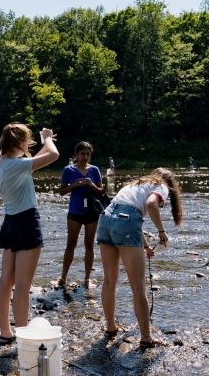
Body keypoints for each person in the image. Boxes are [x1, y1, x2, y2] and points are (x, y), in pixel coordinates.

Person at [96, 168, 184, 349]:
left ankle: (111, 327)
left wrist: (145, 246)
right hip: (125, 221)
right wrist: (161, 231)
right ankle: (146, 338)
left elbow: (125, 210)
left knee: (109, 281)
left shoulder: (137, 184)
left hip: (105, 219)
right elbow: (151, 205)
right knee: (138, 286)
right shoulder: (161, 186)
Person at [0, 123, 59, 348]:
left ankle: (6, 333)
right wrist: (47, 138)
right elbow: (53, 154)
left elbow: (32, 163)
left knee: (5, 282)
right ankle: (23, 338)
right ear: (20, 143)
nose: (29, 145)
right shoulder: (17, 165)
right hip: (27, 221)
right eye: (28, 141)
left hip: (10, 221)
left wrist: (43, 143)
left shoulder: (0, 165)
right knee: (22, 285)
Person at [57, 141, 104, 289]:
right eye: (82, 153)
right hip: (75, 211)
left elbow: (101, 192)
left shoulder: (95, 170)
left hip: (91, 212)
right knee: (70, 245)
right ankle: (63, 277)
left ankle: (87, 278)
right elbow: (61, 192)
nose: (85, 156)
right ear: (76, 154)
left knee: (89, 245)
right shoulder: (68, 170)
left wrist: (91, 185)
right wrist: (74, 185)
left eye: (88, 154)